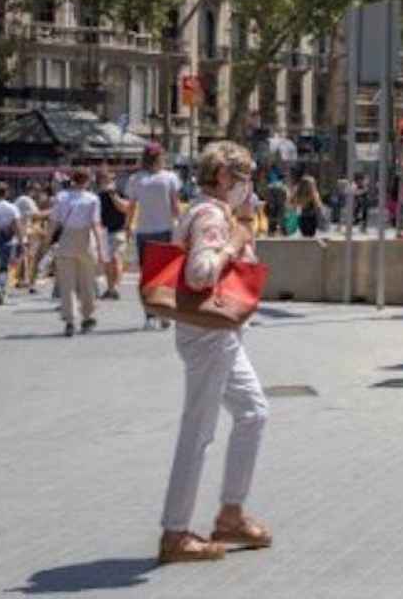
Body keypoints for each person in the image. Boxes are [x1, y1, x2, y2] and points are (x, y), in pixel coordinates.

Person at [157, 141, 271, 565]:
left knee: (254, 411)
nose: (249, 187)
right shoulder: (210, 216)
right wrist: (235, 240)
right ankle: (175, 532)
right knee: (198, 430)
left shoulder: (212, 212)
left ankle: (231, 512)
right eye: (244, 179)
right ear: (223, 177)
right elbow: (201, 273)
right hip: (208, 334)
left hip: (220, 332)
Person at [128, 144, 182, 330]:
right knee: (163, 273)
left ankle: (152, 315)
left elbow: (132, 206)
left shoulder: (136, 179)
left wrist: (128, 226)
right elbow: (176, 207)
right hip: (163, 230)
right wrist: (182, 226)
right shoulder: (169, 178)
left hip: (145, 231)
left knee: (149, 274)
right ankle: (163, 313)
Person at [49, 170, 105, 336]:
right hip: (85, 239)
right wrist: (101, 249)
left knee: (67, 283)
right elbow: (96, 225)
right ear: (88, 181)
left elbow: (53, 222)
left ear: (72, 179)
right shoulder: (92, 199)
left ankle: (69, 319)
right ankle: (87, 316)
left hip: (66, 239)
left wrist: (47, 241)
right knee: (87, 282)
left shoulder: (61, 197)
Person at [97, 171, 133, 301]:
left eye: (111, 179)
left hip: (118, 230)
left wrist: (113, 195)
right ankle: (110, 288)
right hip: (104, 231)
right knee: (107, 262)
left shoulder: (120, 193)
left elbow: (125, 208)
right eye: (105, 179)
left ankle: (116, 288)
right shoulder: (99, 196)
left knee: (116, 258)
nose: (108, 182)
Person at [13, 184, 42, 294]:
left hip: (22, 232)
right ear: (31, 190)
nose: (37, 193)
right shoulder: (27, 200)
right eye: (36, 190)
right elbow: (37, 215)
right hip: (22, 233)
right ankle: (26, 280)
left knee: (25, 257)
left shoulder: (20, 199)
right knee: (26, 257)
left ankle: (23, 280)